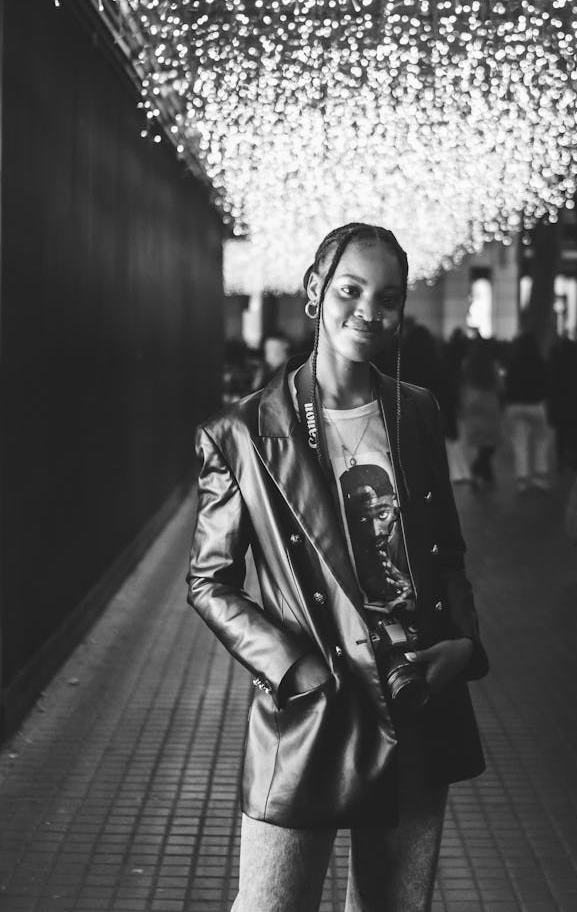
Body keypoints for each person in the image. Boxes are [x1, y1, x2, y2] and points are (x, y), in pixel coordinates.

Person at [187, 222, 488, 912]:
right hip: (314, 707)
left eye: (389, 296)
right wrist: (298, 671)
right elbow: (210, 581)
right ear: (316, 292)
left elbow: (447, 549)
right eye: (351, 289)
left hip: (416, 692)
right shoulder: (243, 433)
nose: (370, 311)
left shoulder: (415, 410)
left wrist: (465, 644)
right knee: (269, 904)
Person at [503, 332, 552, 493]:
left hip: (515, 406)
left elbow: (506, 385)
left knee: (520, 444)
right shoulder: (540, 362)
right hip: (535, 405)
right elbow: (547, 384)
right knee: (541, 442)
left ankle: (522, 480)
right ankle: (540, 476)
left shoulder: (512, 362)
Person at [459, 336, 502, 489]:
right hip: (489, 403)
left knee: (480, 442)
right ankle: (478, 470)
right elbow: (499, 385)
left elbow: (462, 383)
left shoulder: (467, 364)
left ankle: (484, 473)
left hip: (473, 402)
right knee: (490, 443)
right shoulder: (492, 365)